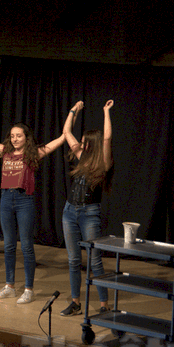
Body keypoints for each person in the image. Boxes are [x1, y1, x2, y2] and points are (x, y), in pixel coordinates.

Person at [0, 99, 65, 304]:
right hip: (6, 199)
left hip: (24, 200)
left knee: (26, 246)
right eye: (12, 136)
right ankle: (9, 286)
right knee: (9, 245)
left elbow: (60, 139)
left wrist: (71, 115)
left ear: (27, 137)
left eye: (19, 135)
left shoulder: (33, 154)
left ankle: (28, 289)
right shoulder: (5, 152)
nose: (15, 139)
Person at [60, 100, 114, 316]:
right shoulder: (81, 157)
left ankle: (104, 305)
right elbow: (66, 132)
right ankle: (75, 302)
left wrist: (106, 111)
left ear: (92, 144)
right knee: (73, 260)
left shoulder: (104, 162)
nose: (81, 145)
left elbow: (107, 138)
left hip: (89, 214)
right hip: (69, 212)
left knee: (94, 260)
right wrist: (73, 110)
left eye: (84, 142)